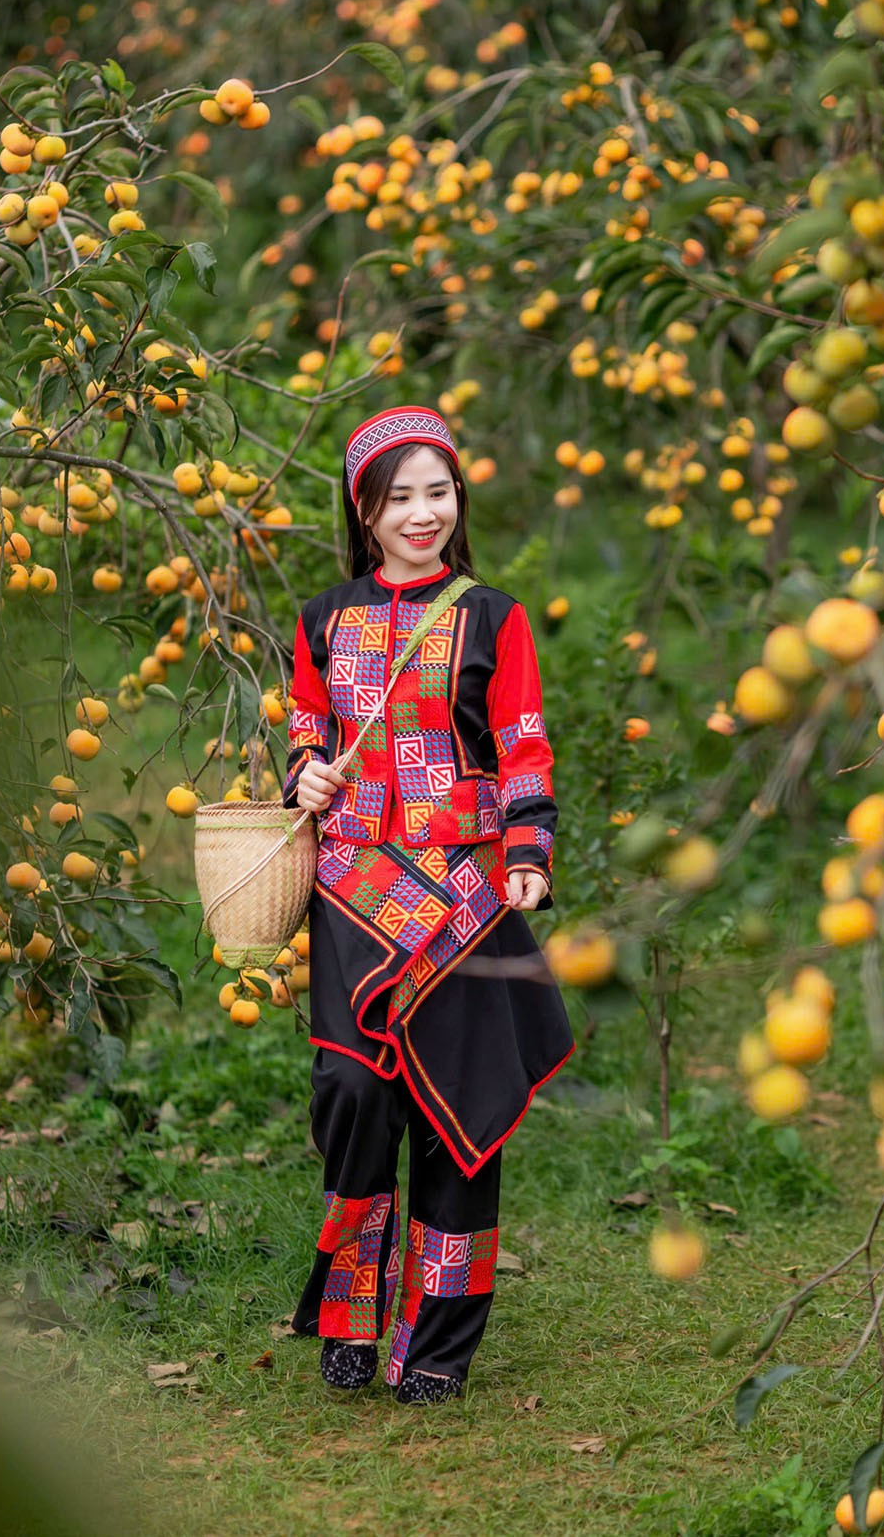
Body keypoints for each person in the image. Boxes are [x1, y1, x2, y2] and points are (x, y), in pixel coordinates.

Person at [282, 404, 574, 1405]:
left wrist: (526, 851)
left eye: (436, 491)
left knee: (458, 1120)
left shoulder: (494, 617)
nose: (421, 513)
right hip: (353, 893)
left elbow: (522, 742)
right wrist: (307, 776)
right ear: (364, 511)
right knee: (355, 1098)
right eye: (398, 496)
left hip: (461, 895)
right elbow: (305, 732)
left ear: (458, 498)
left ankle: (439, 1347)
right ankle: (349, 1315)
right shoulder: (321, 618)